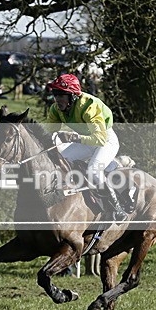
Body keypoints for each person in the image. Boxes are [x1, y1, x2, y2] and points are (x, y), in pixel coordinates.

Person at [45, 73, 127, 221]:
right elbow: (48, 135)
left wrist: (73, 137)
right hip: (86, 142)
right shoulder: (55, 109)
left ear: (73, 96)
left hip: (105, 140)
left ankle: (117, 207)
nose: (57, 99)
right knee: (61, 160)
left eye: (62, 95)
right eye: (55, 94)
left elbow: (100, 138)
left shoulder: (89, 106)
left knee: (93, 169)